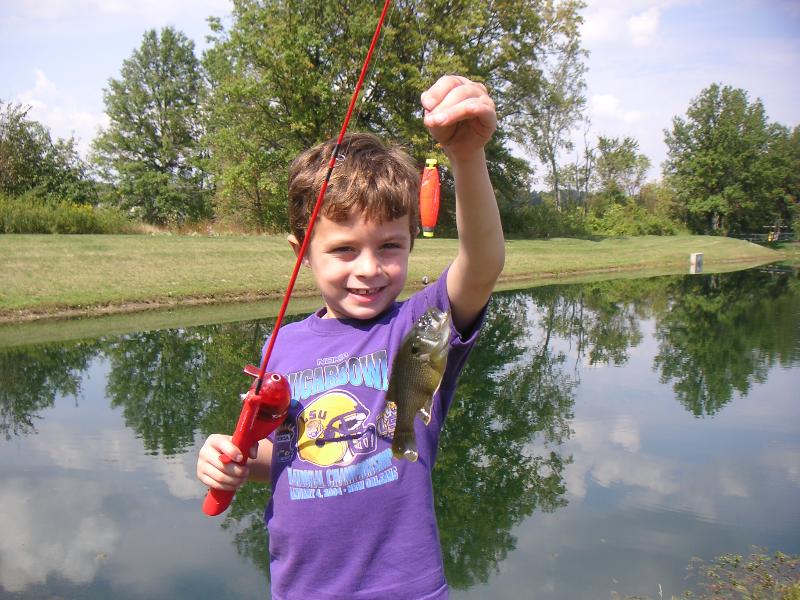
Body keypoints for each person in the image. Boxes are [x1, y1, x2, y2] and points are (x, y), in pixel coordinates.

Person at [196, 74, 504, 599]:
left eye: (390, 246)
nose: (369, 269)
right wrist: (234, 460)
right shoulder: (282, 346)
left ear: (411, 242)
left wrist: (467, 156)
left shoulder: (420, 329)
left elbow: (481, 266)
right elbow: (289, 452)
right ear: (302, 251)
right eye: (343, 249)